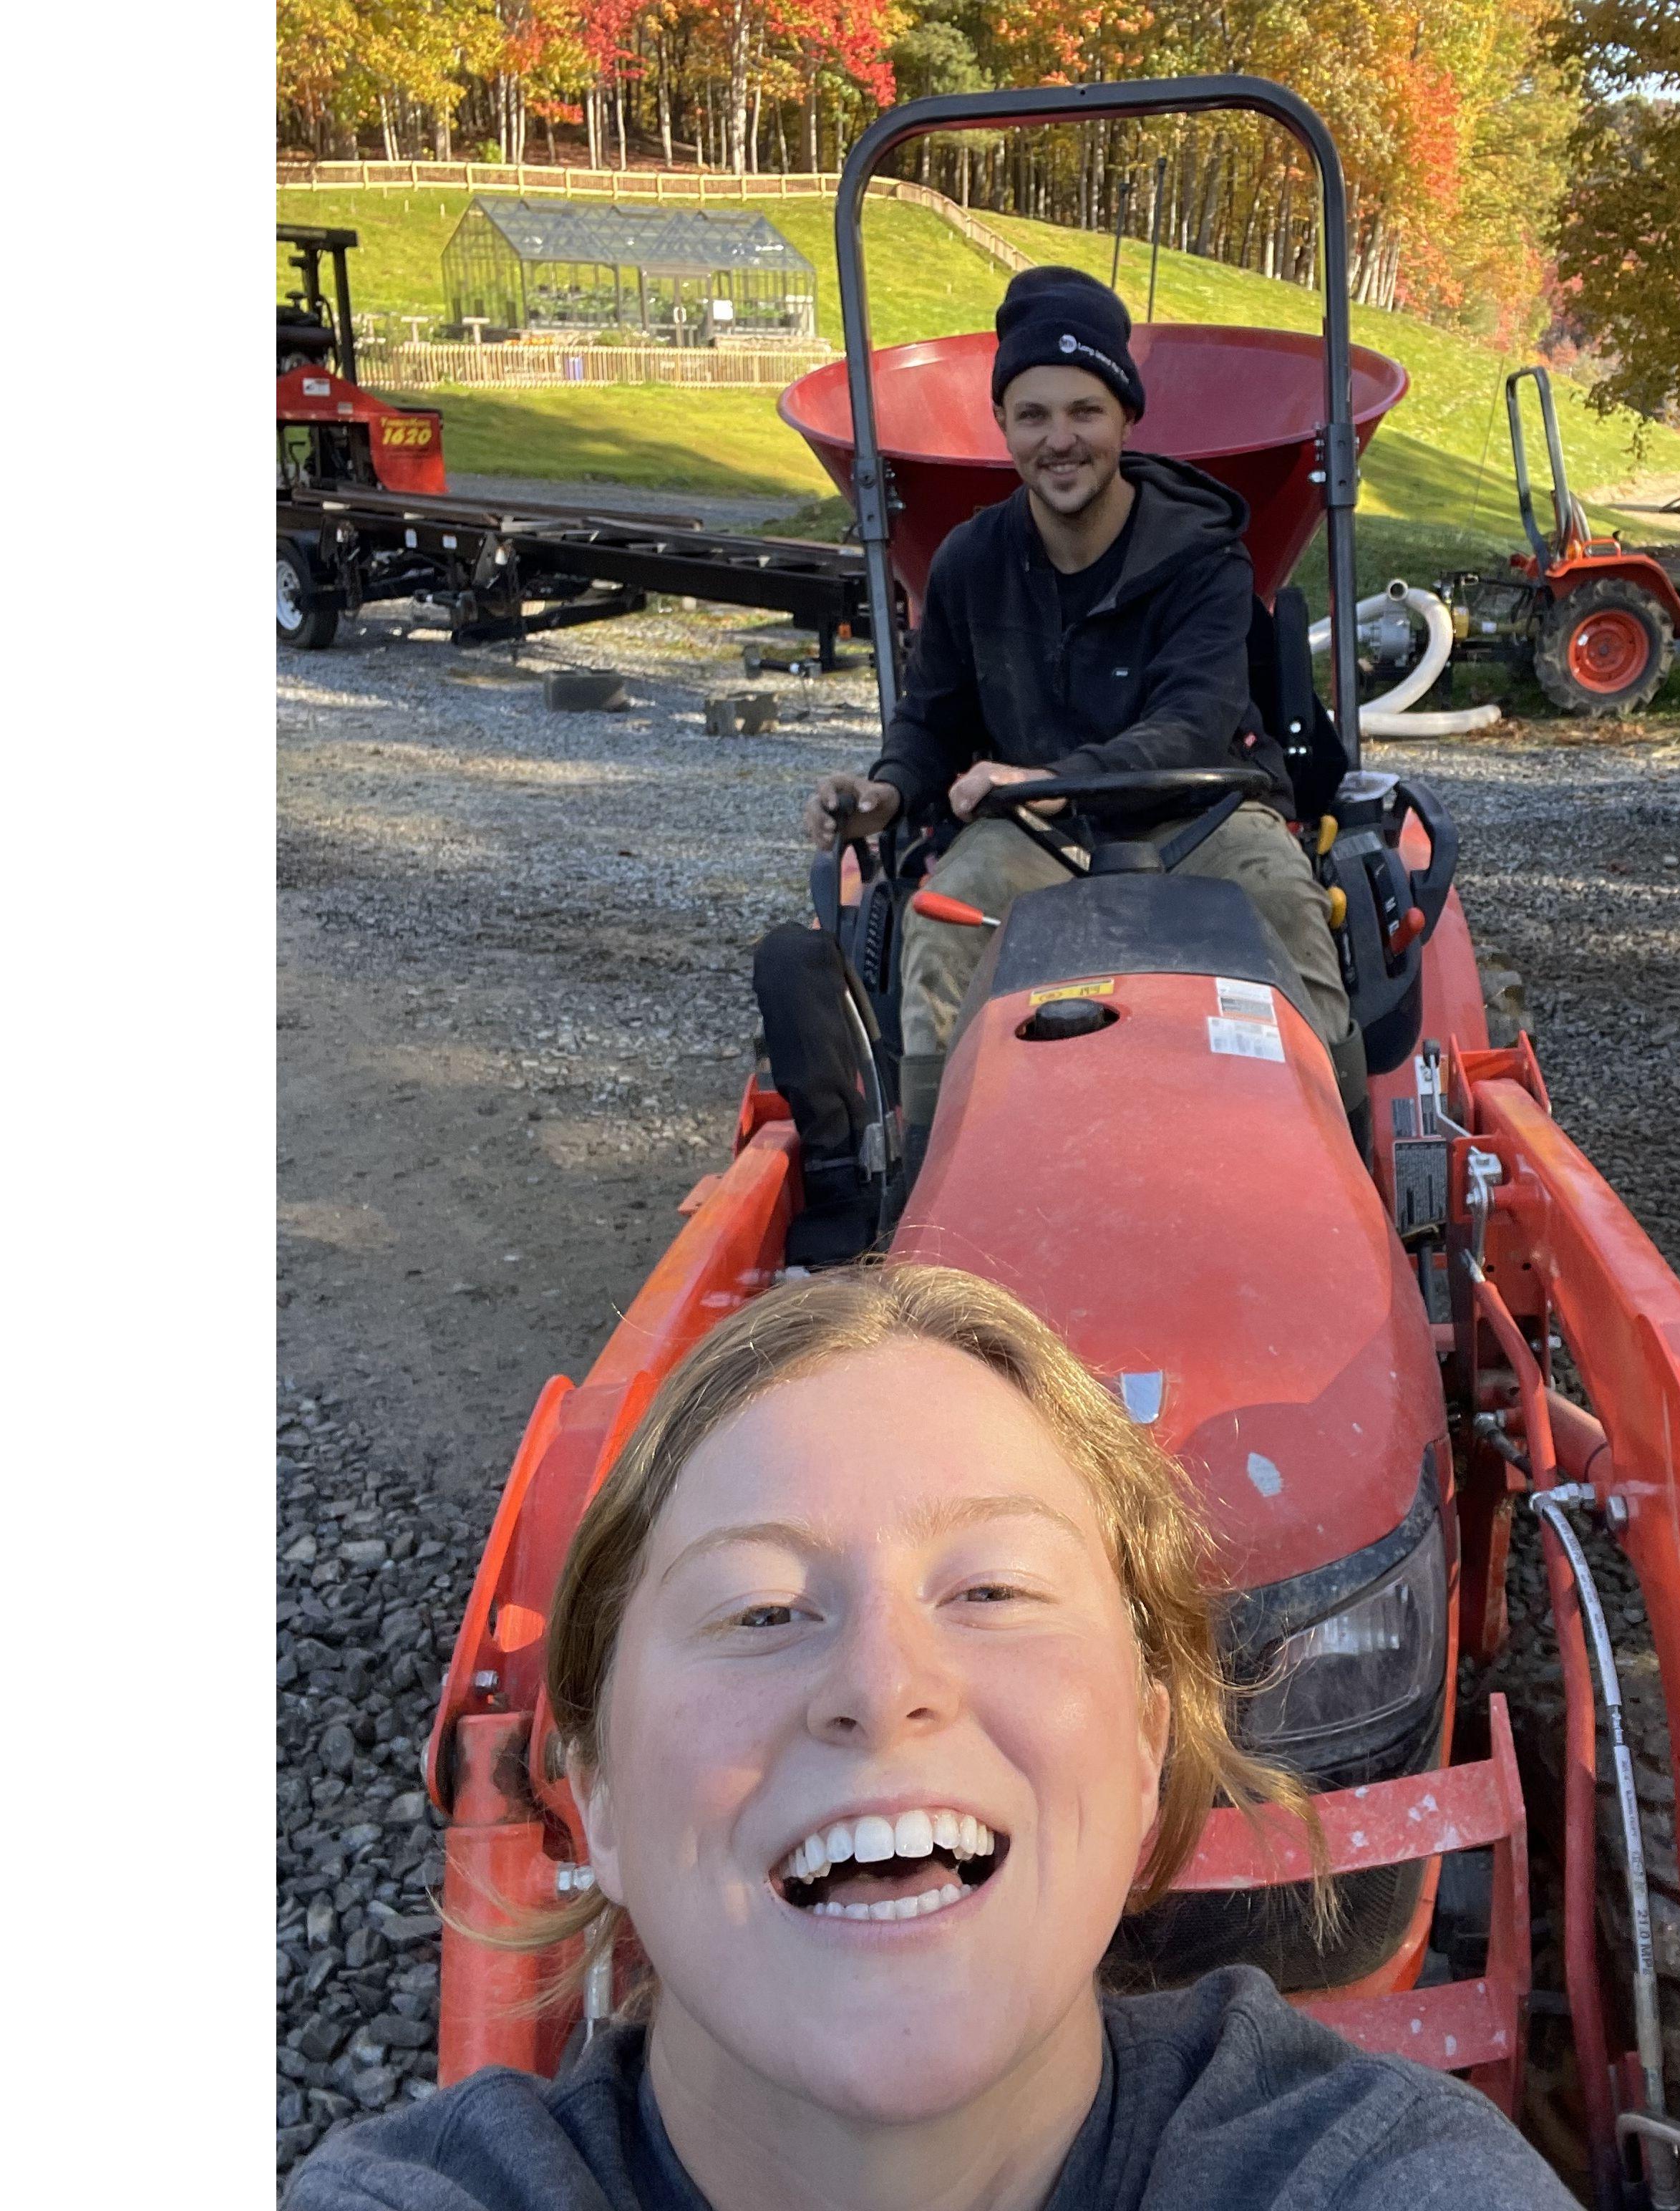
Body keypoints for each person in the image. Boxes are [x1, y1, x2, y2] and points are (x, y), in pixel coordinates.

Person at [285, 1264, 1575, 2211]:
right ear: (598, 1791)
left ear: (1144, 1752)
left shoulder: (1372, 2174)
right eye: (762, 1606)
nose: (884, 1681)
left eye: (993, 1588)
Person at [801, 268, 1362, 1170]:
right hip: (1032, 834)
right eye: (1032, 415)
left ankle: (1338, 1176)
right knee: (940, 928)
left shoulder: (1205, 558)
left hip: (1203, 816)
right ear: (1005, 426)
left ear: (1126, 418)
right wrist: (886, 791)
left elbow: (1193, 719)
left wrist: (1055, 778)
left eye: (1084, 411)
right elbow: (932, 718)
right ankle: (934, 1192)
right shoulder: (968, 562)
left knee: (1289, 907)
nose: (1060, 440)